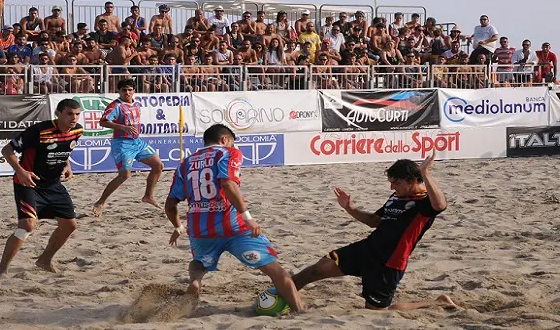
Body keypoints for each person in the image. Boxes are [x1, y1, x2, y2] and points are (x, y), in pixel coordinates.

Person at [290, 153, 458, 311]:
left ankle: (438, 302)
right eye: (391, 182)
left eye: (396, 183)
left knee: (379, 312)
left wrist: (425, 173)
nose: (392, 187)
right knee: (318, 269)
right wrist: (350, 208)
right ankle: (281, 293)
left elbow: (440, 205)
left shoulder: (424, 202)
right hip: (367, 249)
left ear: (413, 180)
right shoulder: (396, 197)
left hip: (388, 263)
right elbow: (374, 221)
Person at [165, 124, 304, 313]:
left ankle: (196, 282)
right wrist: (248, 218)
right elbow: (228, 183)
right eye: (231, 142)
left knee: (199, 262)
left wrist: (179, 227)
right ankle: (299, 310)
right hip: (233, 226)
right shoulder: (228, 153)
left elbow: (170, 204)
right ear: (224, 140)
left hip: (200, 229)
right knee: (274, 269)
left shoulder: (185, 163)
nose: (233, 146)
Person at [0, 99, 84, 278]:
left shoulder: (77, 131)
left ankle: (44, 260)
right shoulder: (38, 131)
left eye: (77, 114)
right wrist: (21, 171)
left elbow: (63, 149)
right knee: (27, 225)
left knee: (70, 226)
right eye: (69, 113)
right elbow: (7, 151)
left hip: (53, 185)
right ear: (58, 114)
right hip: (29, 183)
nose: (74, 118)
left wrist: (67, 166)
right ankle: (2, 271)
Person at [92, 79, 164, 217]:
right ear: (118, 91)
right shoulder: (115, 106)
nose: (127, 92)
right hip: (122, 143)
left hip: (137, 142)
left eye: (130, 90)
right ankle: (100, 202)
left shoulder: (136, 103)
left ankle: (148, 196)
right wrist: (122, 127)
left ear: (134, 91)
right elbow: (103, 121)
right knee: (125, 175)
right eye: (124, 90)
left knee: (158, 166)